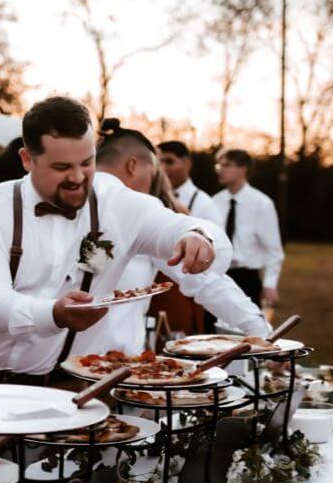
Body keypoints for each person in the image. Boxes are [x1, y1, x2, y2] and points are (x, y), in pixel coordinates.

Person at [0, 96, 228, 381]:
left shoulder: (115, 202)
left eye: (86, 163)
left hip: (78, 385)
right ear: (26, 159)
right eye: (61, 167)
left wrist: (199, 236)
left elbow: (182, 225)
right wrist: (54, 314)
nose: (78, 177)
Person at [86, 125, 269, 355]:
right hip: (110, 368)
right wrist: (259, 329)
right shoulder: (138, 211)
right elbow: (205, 281)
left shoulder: (62, 199)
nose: (151, 186)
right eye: (152, 174)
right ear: (132, 165)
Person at [212, 148, 284, 308]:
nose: (220, 170)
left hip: (246, 278)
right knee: (213, 328)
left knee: (246, 332)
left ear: (242, 169)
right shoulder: (215, 201)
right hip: (217, 275)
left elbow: (273, 250)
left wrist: (270, 284)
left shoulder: (261, 204)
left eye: (226, 165)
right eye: (218, 166)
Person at [158, 140, 219, 222]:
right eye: (158, 163)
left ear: (187, 163)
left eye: (169, 162)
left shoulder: (204, 204)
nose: (162, 168)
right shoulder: (153, 198)